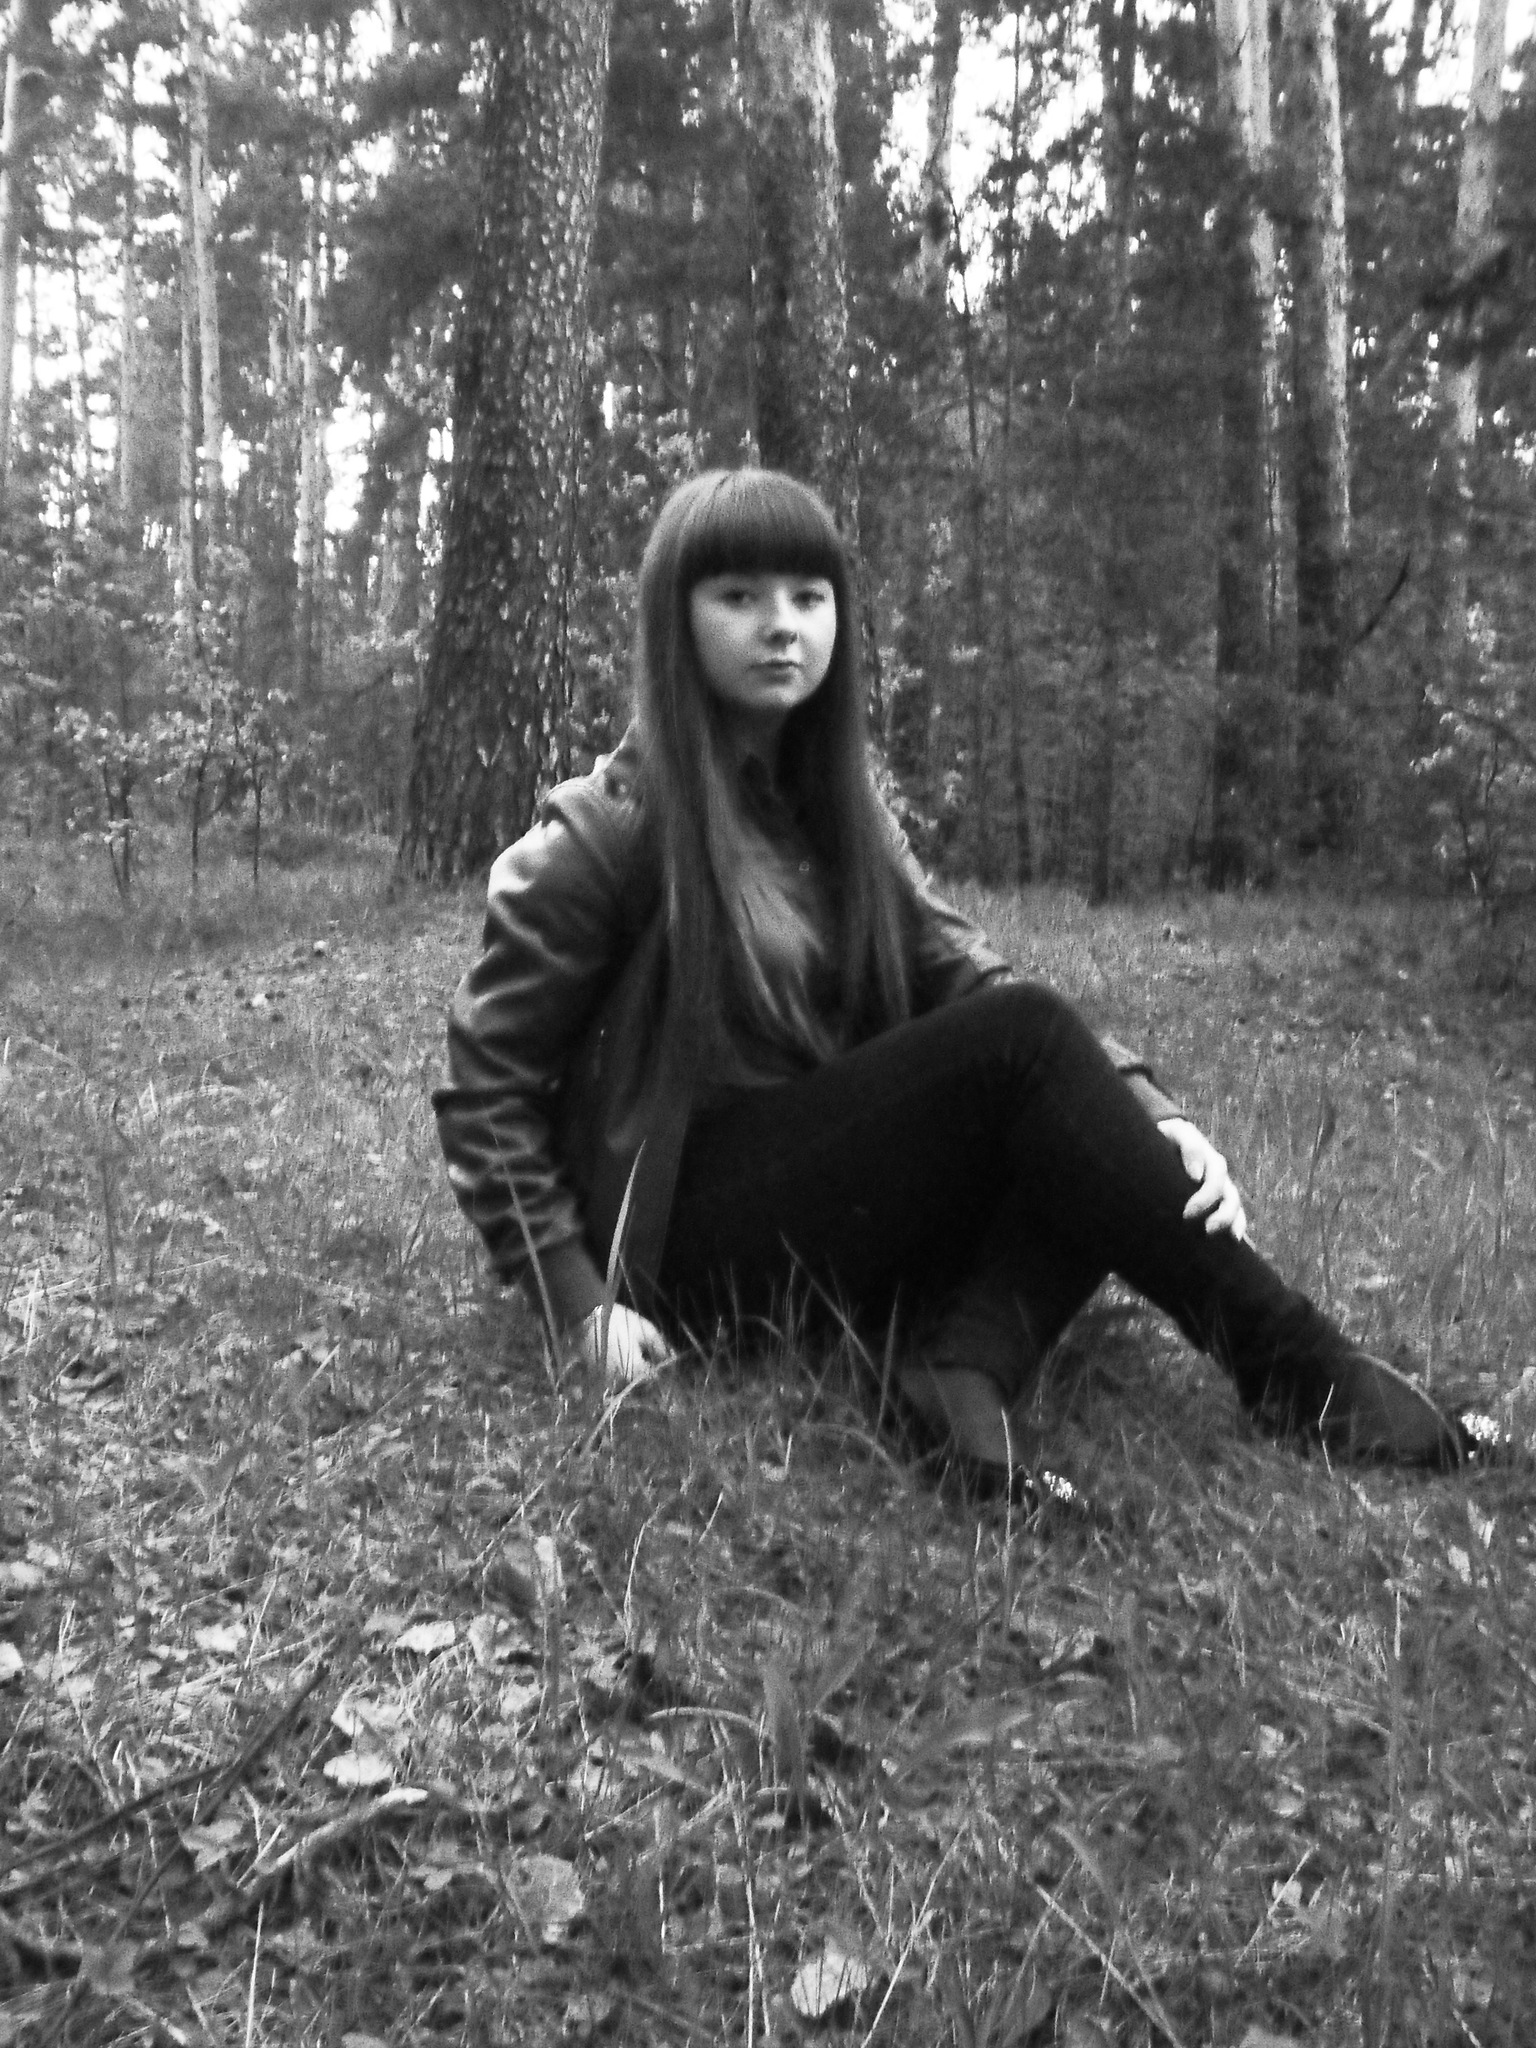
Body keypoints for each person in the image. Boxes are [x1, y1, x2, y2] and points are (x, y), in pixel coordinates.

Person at [434, 467, 1465, 1478]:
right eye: (738, 596)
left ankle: (959, 1372)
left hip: (828, 1201)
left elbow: (962, 968)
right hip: (681, 1244)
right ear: (677, 619)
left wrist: (1147, 1111)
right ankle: (1296, 1367)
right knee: (1027, 1045)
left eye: (808, 596)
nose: (781, 626)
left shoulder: (840, 814)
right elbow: (486, 1092)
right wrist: (580, 1304)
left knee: (1074, 1122)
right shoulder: (606, 830)